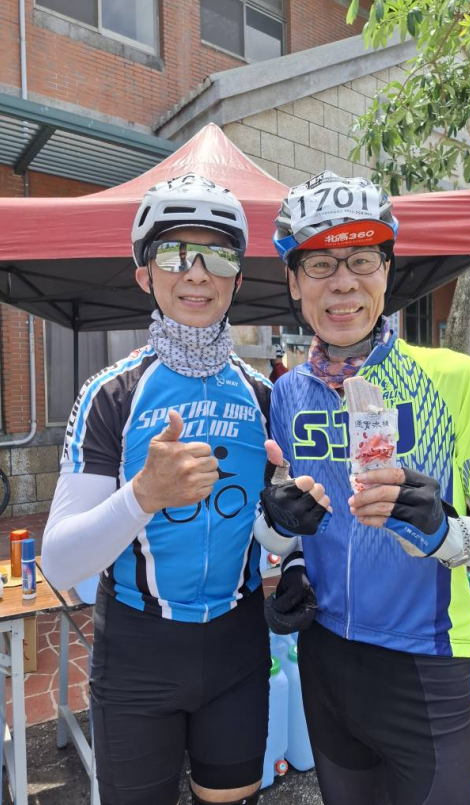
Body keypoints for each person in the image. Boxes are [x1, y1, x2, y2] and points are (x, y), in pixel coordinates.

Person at [41, 174, 315, 805]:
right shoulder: (110, 394)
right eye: (173, 254)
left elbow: (278, 524)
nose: (196, 273)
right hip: (138, 649)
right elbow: (59, 563)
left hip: (237, 644)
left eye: (217, 256)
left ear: (237, 279)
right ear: (144, 275)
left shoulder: (265, 395)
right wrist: (143, 493)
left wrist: (292, 545)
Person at [260, 171, 470, 805]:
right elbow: (285, 536)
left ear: (387, 270)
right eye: (320, 263)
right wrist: (285, 546)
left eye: (362, 259)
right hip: (325, 655)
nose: (343, 282)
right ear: (294, 281)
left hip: (424, 661)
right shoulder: (287, 393)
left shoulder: (456, 378)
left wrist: (442, 531)